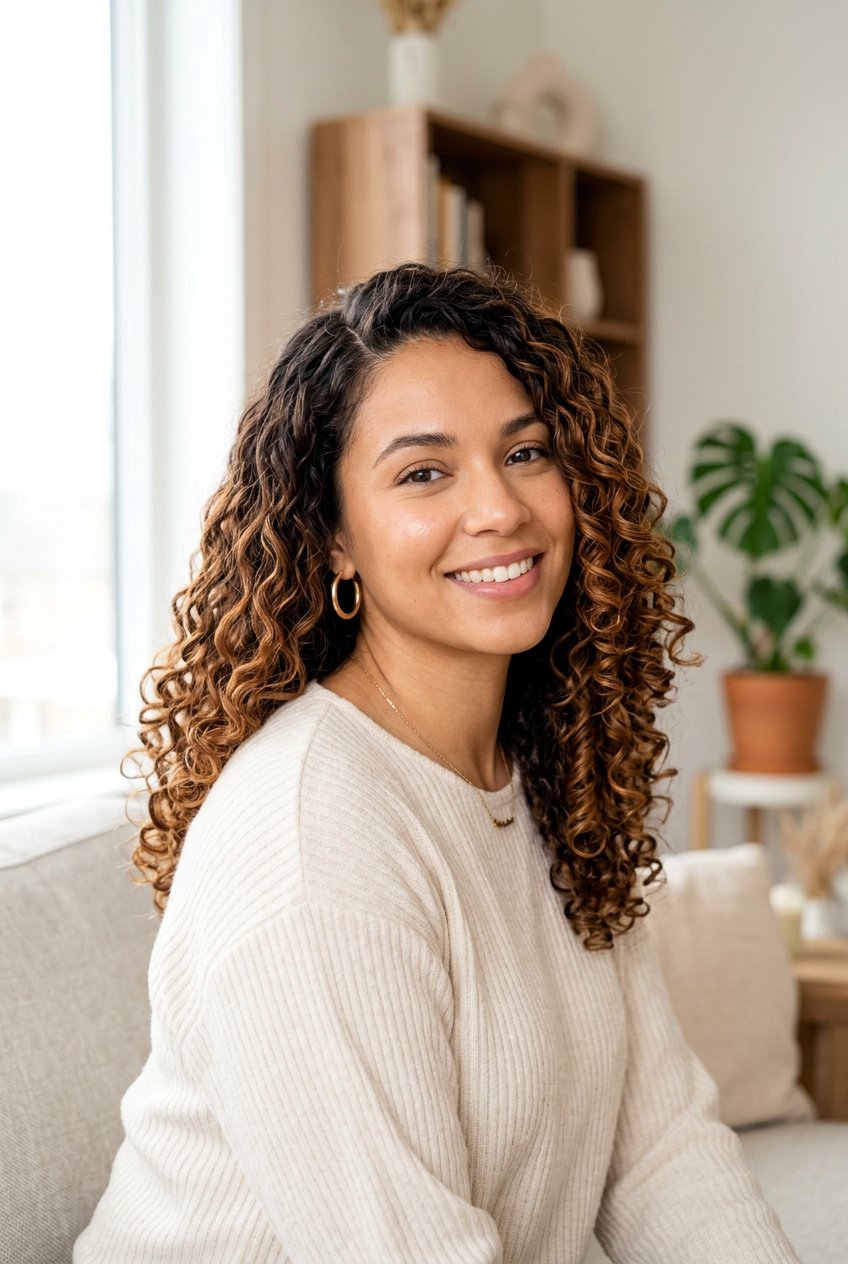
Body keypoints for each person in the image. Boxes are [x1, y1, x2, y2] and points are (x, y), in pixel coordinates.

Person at [74, 262, 800, 1264]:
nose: (498, 508)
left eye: (525, 451)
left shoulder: (546, 776)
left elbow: (662, 1153)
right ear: (332, 536)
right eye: (424, 472)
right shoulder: (310, 839)